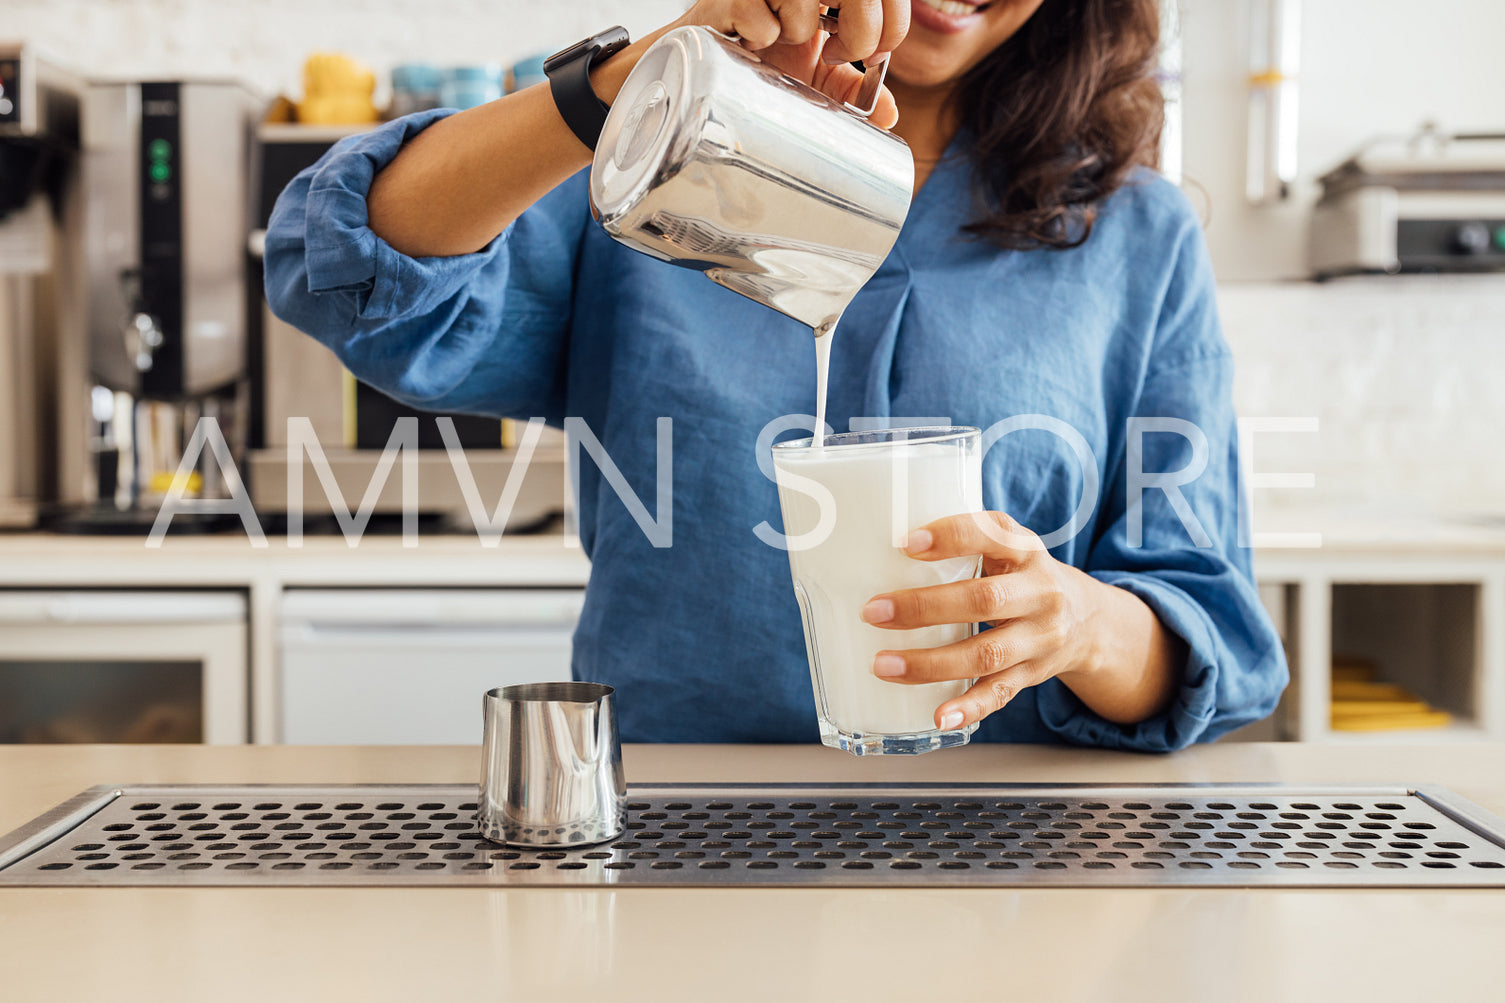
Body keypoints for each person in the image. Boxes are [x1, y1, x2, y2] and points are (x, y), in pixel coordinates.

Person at [265, 0, 1287, 750]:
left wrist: (1077, 622)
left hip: (1016, 837)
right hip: (679, 818)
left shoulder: (1134, 237)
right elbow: (348, 266)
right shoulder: (649, 173)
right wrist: (633, 83)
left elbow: (1212, 638)